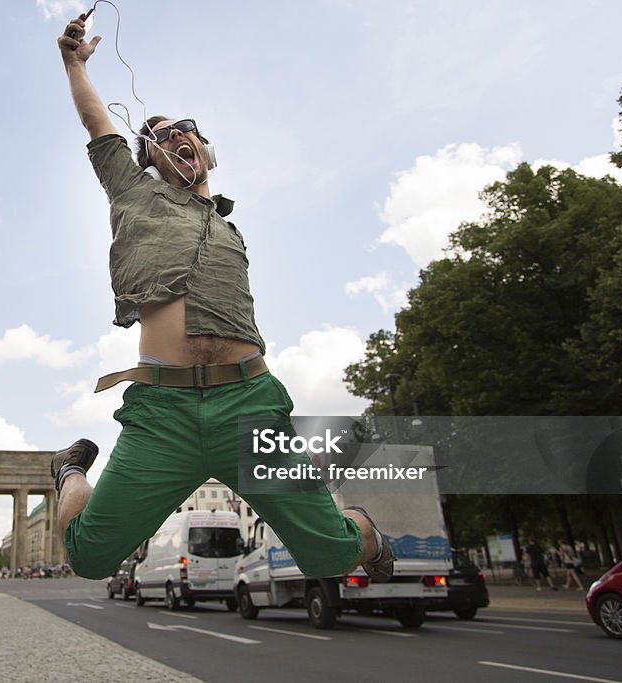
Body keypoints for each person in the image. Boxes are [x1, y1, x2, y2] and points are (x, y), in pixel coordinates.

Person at [51, 14, 394, 585]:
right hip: (164, 412)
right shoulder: (135, 195)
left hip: (249, 406)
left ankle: (364, 528)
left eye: (182, 129)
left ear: (206, 151)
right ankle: (68, 471)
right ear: (147, 162)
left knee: (334, 558)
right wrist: (74, 64)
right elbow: (98, 125)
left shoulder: (227, 225)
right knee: (87, 558)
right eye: (156, 137)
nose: (171, 137)